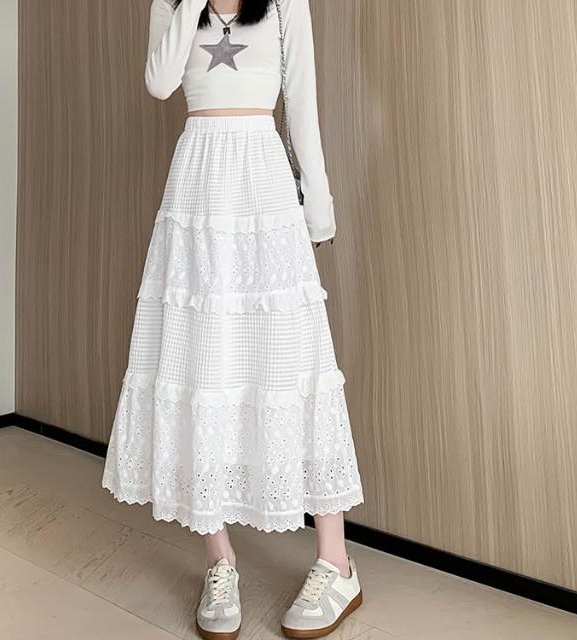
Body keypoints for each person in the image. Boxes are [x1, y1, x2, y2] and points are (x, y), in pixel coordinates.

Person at [101, 0, 364, 637]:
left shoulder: (285, 4)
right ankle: (219, 560)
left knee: (295, 360)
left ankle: (337, 563)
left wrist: (318, 208)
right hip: (197, 187)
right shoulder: (172, 4)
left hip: (264, 184)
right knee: (199, 362)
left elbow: (302, 103)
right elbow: (159, 82)